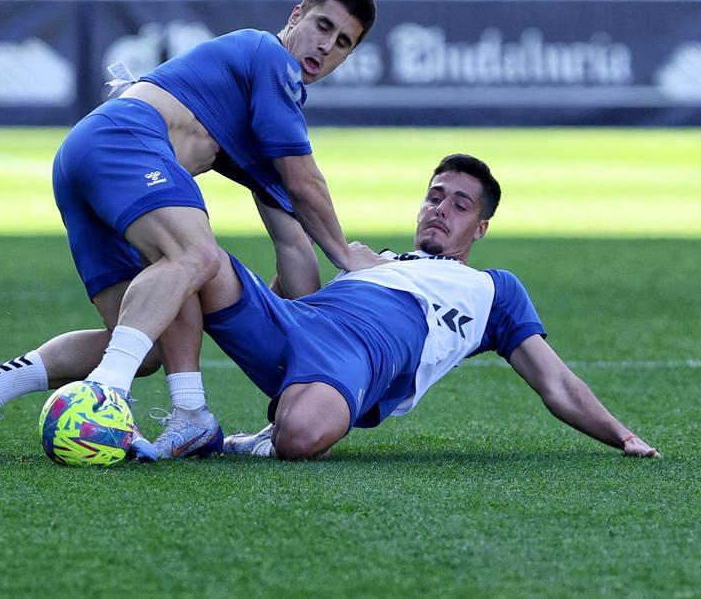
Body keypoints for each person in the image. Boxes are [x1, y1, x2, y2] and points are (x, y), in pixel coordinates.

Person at [0, 0, 385, 458]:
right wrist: (347, 255)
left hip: (86, 160)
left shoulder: (264, 115)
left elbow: (293, 244)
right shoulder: (271, 58)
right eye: (321, 25)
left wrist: (317, 354)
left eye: (342, 43)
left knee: (148, 341)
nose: (325, 46)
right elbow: (305, 181)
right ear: (295, 16)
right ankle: (106, 391)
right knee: (195, 254)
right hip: (122, 139)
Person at [178, 154, 659, 460]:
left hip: (360, 354)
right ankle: (183, 411)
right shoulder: (371, 257)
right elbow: (297, 292)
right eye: (434, 197)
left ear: (481, 228)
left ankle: (269, 434)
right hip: (300, 322)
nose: (440, 209)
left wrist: (622, 435)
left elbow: (556, 382)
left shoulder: (491, 290)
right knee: (194, 260)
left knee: (299, 438)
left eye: (460, 205)